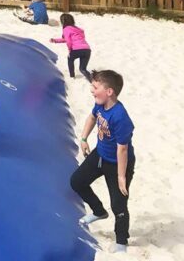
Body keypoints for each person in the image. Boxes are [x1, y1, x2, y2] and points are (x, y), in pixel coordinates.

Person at [71, 70, 136, 254]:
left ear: (109, 92)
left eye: (95, 87)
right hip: (99, 155)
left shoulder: (120, 117)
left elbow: (122, 149)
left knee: (118, 204)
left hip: (119, 163)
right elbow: (92, 117)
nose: (91, 90)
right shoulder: (100, 104)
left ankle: (121, 242)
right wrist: (84, 138)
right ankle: (99, 211)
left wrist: (121, 176)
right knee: (77, 182)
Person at [50, 13, 92, 80]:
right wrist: (55, 40)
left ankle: (72, 76)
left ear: (63, 21)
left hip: (77, 49)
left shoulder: (66, 29)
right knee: (82, 69)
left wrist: (70, 50)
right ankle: (92, 80)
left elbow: (68, 41)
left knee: (70, 59)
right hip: (87, 50)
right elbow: (69, 39)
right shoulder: (78, 29)